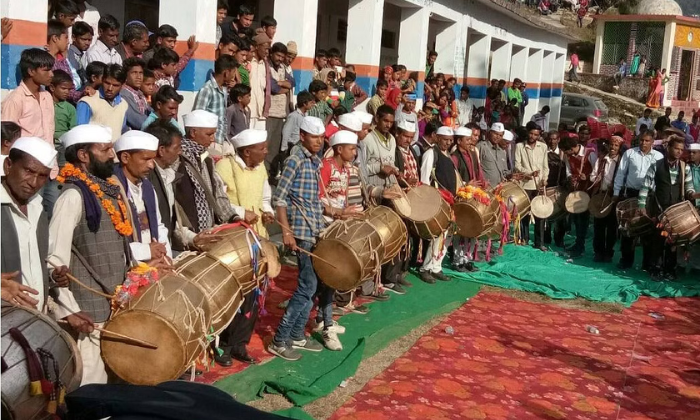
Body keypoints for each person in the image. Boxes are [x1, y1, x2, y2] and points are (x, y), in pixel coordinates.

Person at [48, 124, 129, 385]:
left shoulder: (110, 191)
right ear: (83, 156)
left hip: (115, 304)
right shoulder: (72, 196)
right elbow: (54, 259)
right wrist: (70, 310)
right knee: (91, 385)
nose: (112, 156)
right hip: (88, 313)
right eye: (105, 150)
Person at [268, 116, 327, 361]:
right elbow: (279, 198)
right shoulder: (294, 161)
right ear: (302, 136)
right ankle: (279, 339)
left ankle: (297, 335)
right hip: (300, 232)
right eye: (314, 137)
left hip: (314, 229)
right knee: (306, 287)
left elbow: (311, 200)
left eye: (321, 138)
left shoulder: (314, 162)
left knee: (312, 286)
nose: (319, 142)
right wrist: (286, 231)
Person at [215, 129, 274, 366]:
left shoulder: (260, 168)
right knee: (235, 296)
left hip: (257, 237)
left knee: (254, 295)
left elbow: (264, 197)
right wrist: (241, 212)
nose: (266, 152)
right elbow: (220, 200)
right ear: (247, 151)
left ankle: (240, 343)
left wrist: (266, 212)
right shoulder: (224, 168)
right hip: (234, 240)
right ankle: (224, 346)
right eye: (262, 148)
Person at [1, 137, 60, 311]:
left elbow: (40, 260)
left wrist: (53, 276)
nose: (33, 183)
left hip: (34, 320)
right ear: (8, 165)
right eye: (28, 171)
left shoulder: (38, 208)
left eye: (42, 176)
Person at [173, 110, 241, 252]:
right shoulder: (176, 159)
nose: (213, 139)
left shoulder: (207, 159)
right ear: (193, 132)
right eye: (209, 134)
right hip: (186, 235)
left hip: (207, 234)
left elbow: (217, 194)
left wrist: (232, 216)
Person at [639, 136, 696, 280]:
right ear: (668, 148)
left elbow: (689, 188)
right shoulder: (656, 165)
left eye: (681, 150)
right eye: (676, 148)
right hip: (659, 210)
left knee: (673, 242)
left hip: (676, 212)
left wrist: (694, 195)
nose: (679, 152)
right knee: (657, 240)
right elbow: (646, 186)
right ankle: (655, 269)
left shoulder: (685, 167)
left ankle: (670, 270)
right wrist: (641, 205)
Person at [112, 130, 172, 263]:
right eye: (146, 159)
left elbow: (159, 226)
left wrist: (166, 256)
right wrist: (146, 251)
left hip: (155, 265)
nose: (151, 165)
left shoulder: (147, 187)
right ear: (125, 158)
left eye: (153, 159)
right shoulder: (111, 190)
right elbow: (112, 244)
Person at [613, 129, 664, 269]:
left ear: (653, 142)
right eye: (642, 140)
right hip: (631, 194)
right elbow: (621, 173)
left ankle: (647, 264)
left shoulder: (659, 157)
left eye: (647, 140)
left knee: (648, 229)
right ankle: (626, 260)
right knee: (628, 228)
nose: (644, 143)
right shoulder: (630, 154)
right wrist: (616, 192)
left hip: (649, 197)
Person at [418, 126, 456, 283]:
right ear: (437, 138)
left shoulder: (448, 155)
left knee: (446, 236)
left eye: (450, 140)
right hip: (437, 202)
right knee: (436, 236)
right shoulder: (430, 153)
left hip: (449, 202)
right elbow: (425, 179)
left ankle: (436, 267)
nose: (447, 143)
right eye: (445, 139)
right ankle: (425, 268)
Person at [144, 120, 182, 247]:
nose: (180, 152)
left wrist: (192, 238)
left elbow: (170, 221)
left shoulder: (169, 175)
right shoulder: (147, 179)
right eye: (176, 148)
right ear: (161, 150)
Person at [451, 126, 483, 273]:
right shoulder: (455, 156)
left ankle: (467, 259)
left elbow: (478, 172)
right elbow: (454, 178)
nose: (471, 142)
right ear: (459, 141)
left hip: (473, 195)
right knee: (462, 229)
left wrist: (482, 184)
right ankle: (457, 261)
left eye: (471, 139)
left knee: (473, 228)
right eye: (468, 140)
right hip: (462, 196)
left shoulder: (472, 153)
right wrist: (466, 185)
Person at [192, 55, 238, 154]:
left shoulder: (224, 89)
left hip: (223, 139)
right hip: (212, 142)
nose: (234, 77)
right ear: (226, 73)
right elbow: (198, 117)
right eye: (233, 73)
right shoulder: (207, 89)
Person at [560, 135, 597, 258]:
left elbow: (596, 172)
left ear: (571, 148)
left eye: (566, 151)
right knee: (576, 219)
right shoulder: (568, 156)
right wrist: (570, 178)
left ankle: (580, 246)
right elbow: (568, 171)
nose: (565, 154)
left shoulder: (590, 154)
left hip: (587, 192)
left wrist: (587, 177)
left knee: (583, 220)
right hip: (575, 191)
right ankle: (578, 244)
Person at [515, 122, 549, 250]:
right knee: (524, 212)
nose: (533, 136)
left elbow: (545, 166)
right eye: (531, 133)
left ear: (539, 135)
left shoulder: (543, 147)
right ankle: (524, 237)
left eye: (536, 134)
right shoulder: (519, 146)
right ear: (527, 132)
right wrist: (529, 173)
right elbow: (517, 165)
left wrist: (544, 179)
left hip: (539, 185)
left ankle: (539, 242)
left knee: (540, 212)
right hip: (525, 184)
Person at [76, 64, 128, 141]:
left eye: (115, 85)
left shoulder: (123, 104)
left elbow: (121, 130)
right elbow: (80, 132)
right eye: (107, 83)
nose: (110, 88)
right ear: (102, 80)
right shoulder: (88, 102)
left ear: (123, 85)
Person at [589, 137, 621, 262]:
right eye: (611, 145)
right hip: (600, 196)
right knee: (599, 227)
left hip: (613, 197)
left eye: (616, 146)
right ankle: (598, 252)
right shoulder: (601, 160)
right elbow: (592, 176)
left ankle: (609, 253)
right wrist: (597, 179)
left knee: (612, 227)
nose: (613, 148)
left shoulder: (621, 162)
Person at [266, 42, 293, 169]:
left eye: (282, 56)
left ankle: (272, 173)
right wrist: (283, 87)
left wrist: (282, 83)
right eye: (278, 55)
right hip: (270, 113)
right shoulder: (267, 66)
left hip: (281, 113)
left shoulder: (283, 67)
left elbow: (292, 82)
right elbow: (273, 88)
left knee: (276, 145)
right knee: (267, 144)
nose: (280, 59)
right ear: (271, 53)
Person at [50, 69, 77, 172]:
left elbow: (72, 130)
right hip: (46, 142)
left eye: (69, 89)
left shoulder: (70, 108)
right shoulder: (44, 103)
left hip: (61, 146)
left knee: (61, 172)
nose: (67, 92)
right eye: (63, 88)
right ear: (52, 87)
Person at [544, 131, 567, 248]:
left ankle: (559, 239)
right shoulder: (543, 152)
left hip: (559, 188)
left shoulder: (563, 154)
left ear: (558, 140)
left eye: (554, 139)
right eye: (550, 139)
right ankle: (546, 238)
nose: (552, 141)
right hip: (545, 188)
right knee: (545, 215)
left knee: (560, 217)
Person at [249, 33, 271, 131]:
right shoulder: (249, 63)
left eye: (268, 49)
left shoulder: (265, 66)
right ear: (257, 47)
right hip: (248, 110)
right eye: (265, 48)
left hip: (261, 112)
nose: (267, 52)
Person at [120, 58, 150, 130]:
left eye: (141, 73)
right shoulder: (124, 94)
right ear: (126, 75)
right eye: (134, 73)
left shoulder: (140, 93)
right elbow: (138, 122)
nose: (138, 77)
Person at [478, 123, 510, 188]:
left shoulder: (502, 151)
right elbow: (476, 168)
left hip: (499, 189)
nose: (498, 137)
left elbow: (505, 171)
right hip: (485, 189)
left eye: (500, 135)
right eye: (495, 134)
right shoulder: (481, 146)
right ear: (490, 133)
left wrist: (511, 175)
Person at [68, 21, 94, 88]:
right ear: (74, 37)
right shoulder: (71, 55)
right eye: (84, 39)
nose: (87, 43)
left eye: (89, 40)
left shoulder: (81, 55)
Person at [691, 143, 700, 208]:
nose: (691, 154)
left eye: (694, 152)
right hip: (691, 203)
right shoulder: (685, 166)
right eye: (690, 152)